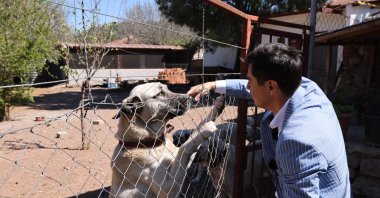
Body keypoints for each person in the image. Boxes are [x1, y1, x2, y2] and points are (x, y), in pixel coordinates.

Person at [187, 43, 351, 197]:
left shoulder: (296, 142)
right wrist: (214, 85)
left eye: (250, 81)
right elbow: (251, 88)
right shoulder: (306, 88)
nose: (248, 87)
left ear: (271, 86)